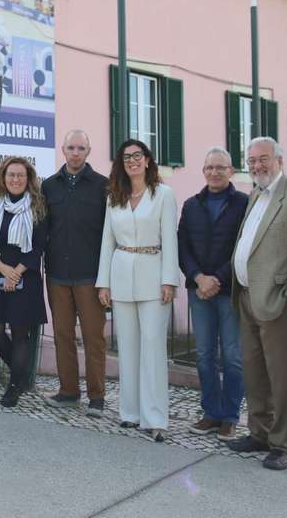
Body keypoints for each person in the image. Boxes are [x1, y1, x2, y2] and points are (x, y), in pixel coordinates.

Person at [227, 136, 287, 470]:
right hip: (248, 298)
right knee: (254, 373)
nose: (256, 166)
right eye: (251, 160)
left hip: (278, 303)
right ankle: (260, 433)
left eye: (262, 159)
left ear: (279, 159)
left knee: (281, 377)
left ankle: (284, 444)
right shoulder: (255, 194)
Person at [97, 140, 178, 442]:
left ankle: (155, 418)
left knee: (153, 348)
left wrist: (169, 279)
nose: (132, 161)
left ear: (147, 160)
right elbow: (107, 241)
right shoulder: (114, 197)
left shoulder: (163, 194)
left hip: (154, 275)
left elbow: (171, 239)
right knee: (127, 348)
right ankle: (129, 413)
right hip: (120, 276)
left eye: (137, 156)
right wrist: (103, 282)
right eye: (126, 157)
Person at [178, 147, 248, 442]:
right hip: (199, 290)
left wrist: (217, 278)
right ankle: (211, 412)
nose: (215, 172)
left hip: (229, 290)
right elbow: (182, 246)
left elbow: (244, 247)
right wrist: (197, 277)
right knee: (205, 355)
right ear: (203, 171)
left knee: (232, 356)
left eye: (221, 167)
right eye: (210, 167)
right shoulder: (192, 205)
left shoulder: (244, 203)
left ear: (231, 171)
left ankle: (230, 416)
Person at [42, 130, 109, 417]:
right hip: (57, 273)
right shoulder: (49, 186)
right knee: (62, 336)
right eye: (71, 147)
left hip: (90, 276)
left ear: (89, 151)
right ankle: (68, 391)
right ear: (63, 149)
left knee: (94, 338)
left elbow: (110, 234)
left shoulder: (102, 186)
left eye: (81, 147)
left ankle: (97, 397)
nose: (76, 152)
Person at [0, 157, 48, 407]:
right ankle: (22, 372)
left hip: (25, 277)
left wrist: (15, 273)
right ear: (3, 178)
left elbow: (38, 246)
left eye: (20, 175)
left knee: (21, 334)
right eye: (11, 175)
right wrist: (2, 269)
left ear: (28, 179)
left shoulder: (37, 207)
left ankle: (14, 386)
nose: (16, 180)